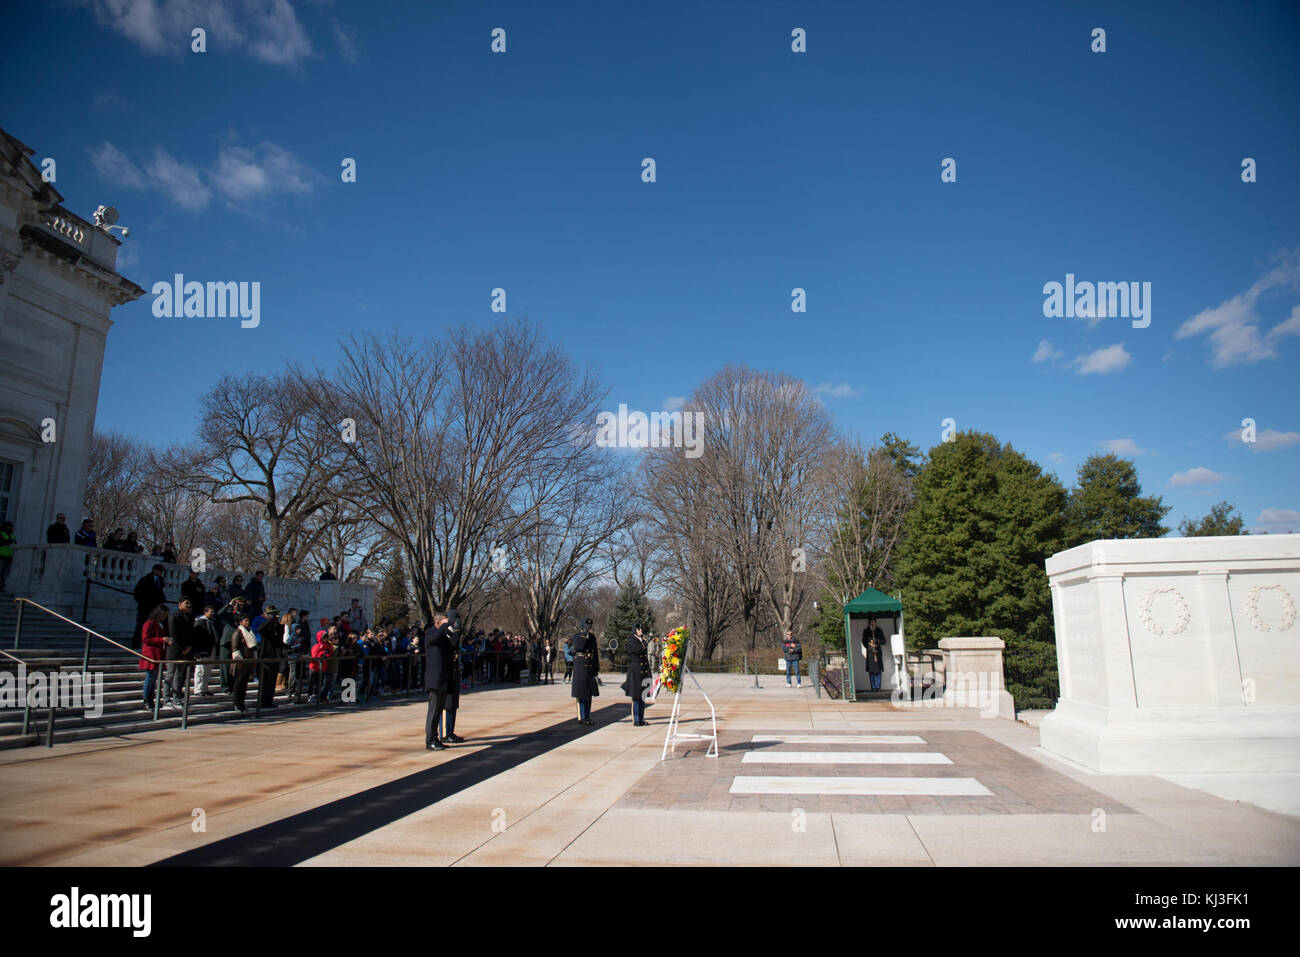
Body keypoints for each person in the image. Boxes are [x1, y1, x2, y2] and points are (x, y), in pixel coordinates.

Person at [423, 612, 463, 750]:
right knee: (433, 711)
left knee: (439, 710)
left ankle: (436, 738)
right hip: (434, 679)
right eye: (445, 623)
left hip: (443, 679)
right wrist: (446, 625)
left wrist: (457, 631)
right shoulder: (430, 633)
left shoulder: (443, 637)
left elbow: (453, 645)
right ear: (438, 623)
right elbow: (434, 637)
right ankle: (430, 740)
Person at [165, 597, 196, 708]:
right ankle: (166, 698)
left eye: (190, 603)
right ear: (179, 604)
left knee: (179, 676)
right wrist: (183, 648)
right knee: (170, 675)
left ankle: (176, 698)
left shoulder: (190, 618)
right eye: (186, 603)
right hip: (174, 651)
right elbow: (174, 634)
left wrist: (189, 647)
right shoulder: (174, 616)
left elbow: (191, 634)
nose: (189, 605)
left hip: (185, 651)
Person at [570, 618, 599, 725]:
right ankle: (581, 717)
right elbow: (579, 647)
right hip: (580, 667)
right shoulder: (578, 637)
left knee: (589, 693)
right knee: (581, 693)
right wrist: (584, 635)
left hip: (590, 666)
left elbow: (595, 652)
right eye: (587, 625)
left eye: (590, 625)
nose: (589, 627)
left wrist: (596, 667)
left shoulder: (592, 637)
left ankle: (587, 715)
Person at [138, 605, 169, 708]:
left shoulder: (159, 624)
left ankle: (151, 699)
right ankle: (147, 700)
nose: (165, 616)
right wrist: (161, 640)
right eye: (164, 614)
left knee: (154, 678)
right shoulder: (149, 623)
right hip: (151, 654)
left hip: (158, 654)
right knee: (150, 678)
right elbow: (146, 639)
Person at [230, 611, 260, 713]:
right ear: (240, 622)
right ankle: (236, 704)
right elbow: (235, 648)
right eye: (245, 621)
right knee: (238, 684)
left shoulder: (250, 632)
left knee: (244, 685)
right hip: (240, 663)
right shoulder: (238, 632)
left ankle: (242, 704)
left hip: (249, 662)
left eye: (248, 620)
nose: (247, 622)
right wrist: (239, 661)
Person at [131, 564, 167, 649]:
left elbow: (161, 592)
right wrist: (143, 603)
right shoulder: (145, 580)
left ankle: (149, 642)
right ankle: (136, 642)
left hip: (156, 608)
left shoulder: (160, 580)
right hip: (145, 607)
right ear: (154, 570)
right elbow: (137, 593)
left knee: (153, 626)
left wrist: (162, 601)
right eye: (159, 571)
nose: (160, 573)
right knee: (141, 625)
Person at [215, 596, 245, 693]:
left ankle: (232, 685)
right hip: (227, 642)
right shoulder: (229, 614)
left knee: (235, 666)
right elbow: (219, 613)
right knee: (225, 665)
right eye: (238, 605)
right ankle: (225, 686)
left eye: (241, 605)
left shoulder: (242, 616)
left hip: (237, 643)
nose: (240, 607)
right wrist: (229, 605)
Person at [622, 625, 651, 726]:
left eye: (641, 628)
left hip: (643, 669)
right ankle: (636, 719)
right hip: (636, 669)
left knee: (642, 695)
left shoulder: (642, 640)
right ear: (635, 630)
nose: (641, 630)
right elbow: (638, 650)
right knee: (636, 695)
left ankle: (641, 718)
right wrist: (645, 642)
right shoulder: (632, 640)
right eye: (639, 629)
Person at [257, 605, 283, 708]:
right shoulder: (265, 625)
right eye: (273, 614)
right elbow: (261, 630)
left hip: (275, 656)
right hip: (265, 656)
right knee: (265, 680)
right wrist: (269, 619)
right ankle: (262, 701)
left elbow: (279, 641)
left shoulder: (279, 627)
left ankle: (269, 701)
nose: (276, 617)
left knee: (272, 680)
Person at [192, 604, 219, 696]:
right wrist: (197, 651)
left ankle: (205, 688)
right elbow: (197, 638)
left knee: (208, 670)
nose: (213, 613)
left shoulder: (212, 622)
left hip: (211, 649)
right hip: (203, 650)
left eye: (213, 612)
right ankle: (198, 689)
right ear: (205, 612)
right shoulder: (200, 622)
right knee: (200, 669)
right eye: (211, 612)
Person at [862, 617, 887, 691]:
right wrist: (870, 648)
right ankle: (873, 687)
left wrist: (877, 641)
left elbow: (884, 641)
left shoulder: (879, 630)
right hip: (870, 653)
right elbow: (864, 642)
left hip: (878, 652)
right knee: (871, 670)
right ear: (869, 622)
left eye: (874, 622)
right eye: (871, 622)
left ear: (875, 622)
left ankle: (878, 687)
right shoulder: (866, 631)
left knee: (878, 670)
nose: (873, 623)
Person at [0, 521, 14, 592]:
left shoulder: (11, 534)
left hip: (9, 556)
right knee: (1, 572)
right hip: (1, 556)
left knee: (5, 573)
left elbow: (14, 542)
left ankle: (2, 587)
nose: (11, 528)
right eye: (10, 527)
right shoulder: (1, 533)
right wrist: (8, 542)